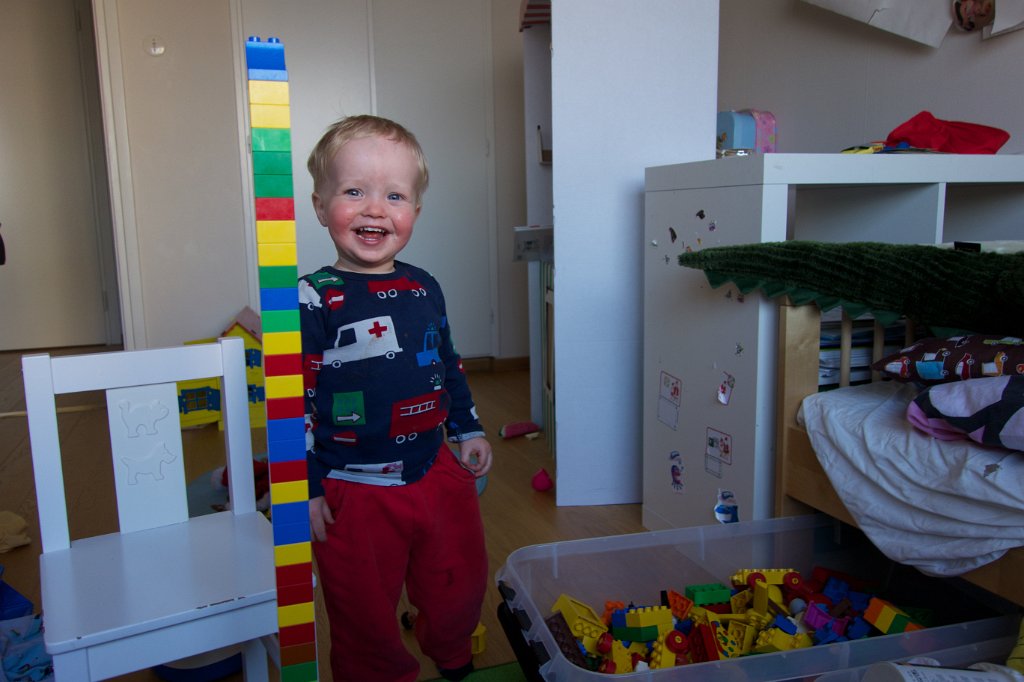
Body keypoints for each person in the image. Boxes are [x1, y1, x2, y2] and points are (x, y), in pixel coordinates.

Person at [300, 114, 492, 681]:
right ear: (320, 206)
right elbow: (295, 404)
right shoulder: (312, 299)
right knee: (363, 612)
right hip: (352, 487)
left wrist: (468, 428)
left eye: (394, 195)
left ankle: (453, 653)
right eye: (353, 192)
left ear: (415, 211)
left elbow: (447, 364)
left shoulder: (423, 285)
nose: (375, 209)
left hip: (433, 467)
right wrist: (306, 487)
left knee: (458, 579)